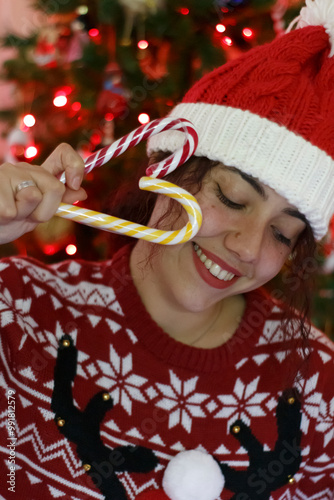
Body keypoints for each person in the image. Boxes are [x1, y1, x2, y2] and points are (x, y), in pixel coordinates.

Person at [1, 1, 334, 499]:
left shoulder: (320, 390)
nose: (246, 247)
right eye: (231, 198)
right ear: (167, 172)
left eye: (282, 234)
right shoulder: (17, 312)